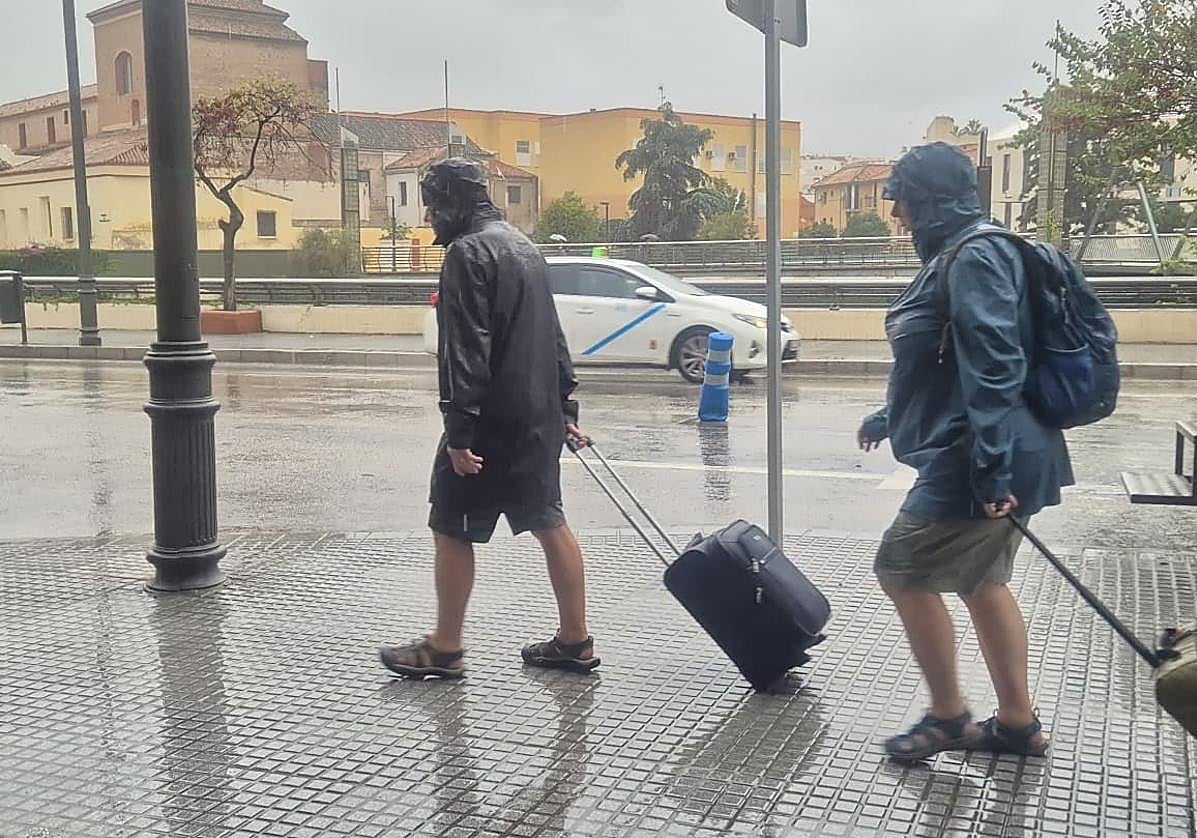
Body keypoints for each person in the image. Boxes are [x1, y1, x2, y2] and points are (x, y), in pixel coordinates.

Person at [858, 142, 1074, 760]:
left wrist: (991, 468)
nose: (895, 213)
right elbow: (946, 361)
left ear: (930, 198)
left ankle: (950, 717)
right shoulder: (964, 251)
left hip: (979, 452)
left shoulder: (974, 255)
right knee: (982, 580)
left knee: (901, 568)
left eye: (901, 197)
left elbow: (996, 364)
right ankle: (1017, 725)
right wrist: (891, 417)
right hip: (998, 446)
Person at [379, 158, 599, 680]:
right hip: (537, 419)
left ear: (453, 202)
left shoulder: (467, 252)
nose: (428, 217)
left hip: (487, 424)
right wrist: (565, 408)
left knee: (451, 525)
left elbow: (465, 350)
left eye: (432, 205)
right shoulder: (524, 247)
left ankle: (445, 646)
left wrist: (459, 433)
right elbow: (552, 337)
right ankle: (574, 640)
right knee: (549, 520)